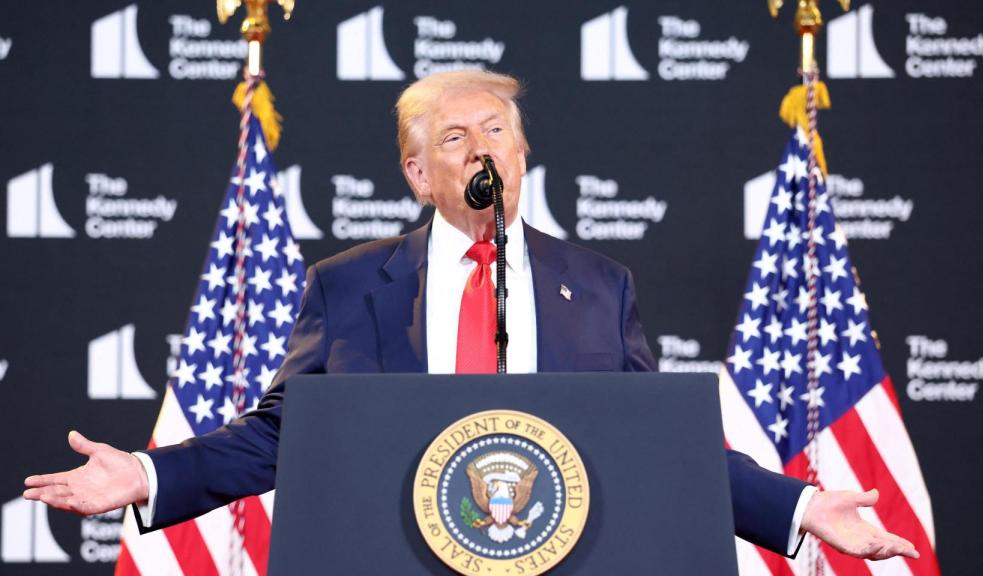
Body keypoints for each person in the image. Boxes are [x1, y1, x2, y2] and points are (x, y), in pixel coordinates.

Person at [24, 70, 918, 562]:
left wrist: (800, 505)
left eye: (496, 131)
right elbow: (279, 436)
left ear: (524, 154)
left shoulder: (600, 286)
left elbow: (658, 446)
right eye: (453, 138)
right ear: (418, 174)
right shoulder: (350, 287)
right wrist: (144, 475)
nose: (481, 147)